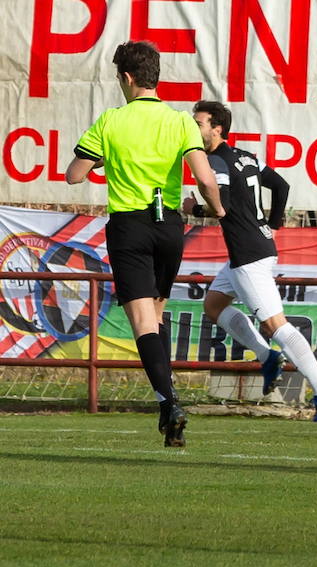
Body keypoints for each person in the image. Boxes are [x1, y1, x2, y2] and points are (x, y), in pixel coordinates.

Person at [65, 41, 225, 447]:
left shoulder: (111, 120)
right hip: (169, 227)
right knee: (156, 315)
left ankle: (169, 403)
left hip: (130, 227)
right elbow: (205, 179)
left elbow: (74, 175)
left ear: (127, 77)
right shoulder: (180, 121)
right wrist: (217, 210)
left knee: (141, 324)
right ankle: (168, 413)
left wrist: (106, 157)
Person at [180, 101, 317, 421]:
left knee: (275, 325)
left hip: (248, 256)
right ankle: (268, 357)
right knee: (213, 305)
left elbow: (221, 206)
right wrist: (274, 225)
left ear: (217, 129)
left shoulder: (215, 161)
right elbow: (281, 185)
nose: (194, 129)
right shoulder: (245, 156)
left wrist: (193, 209)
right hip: (251, 250)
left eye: (199, 124)